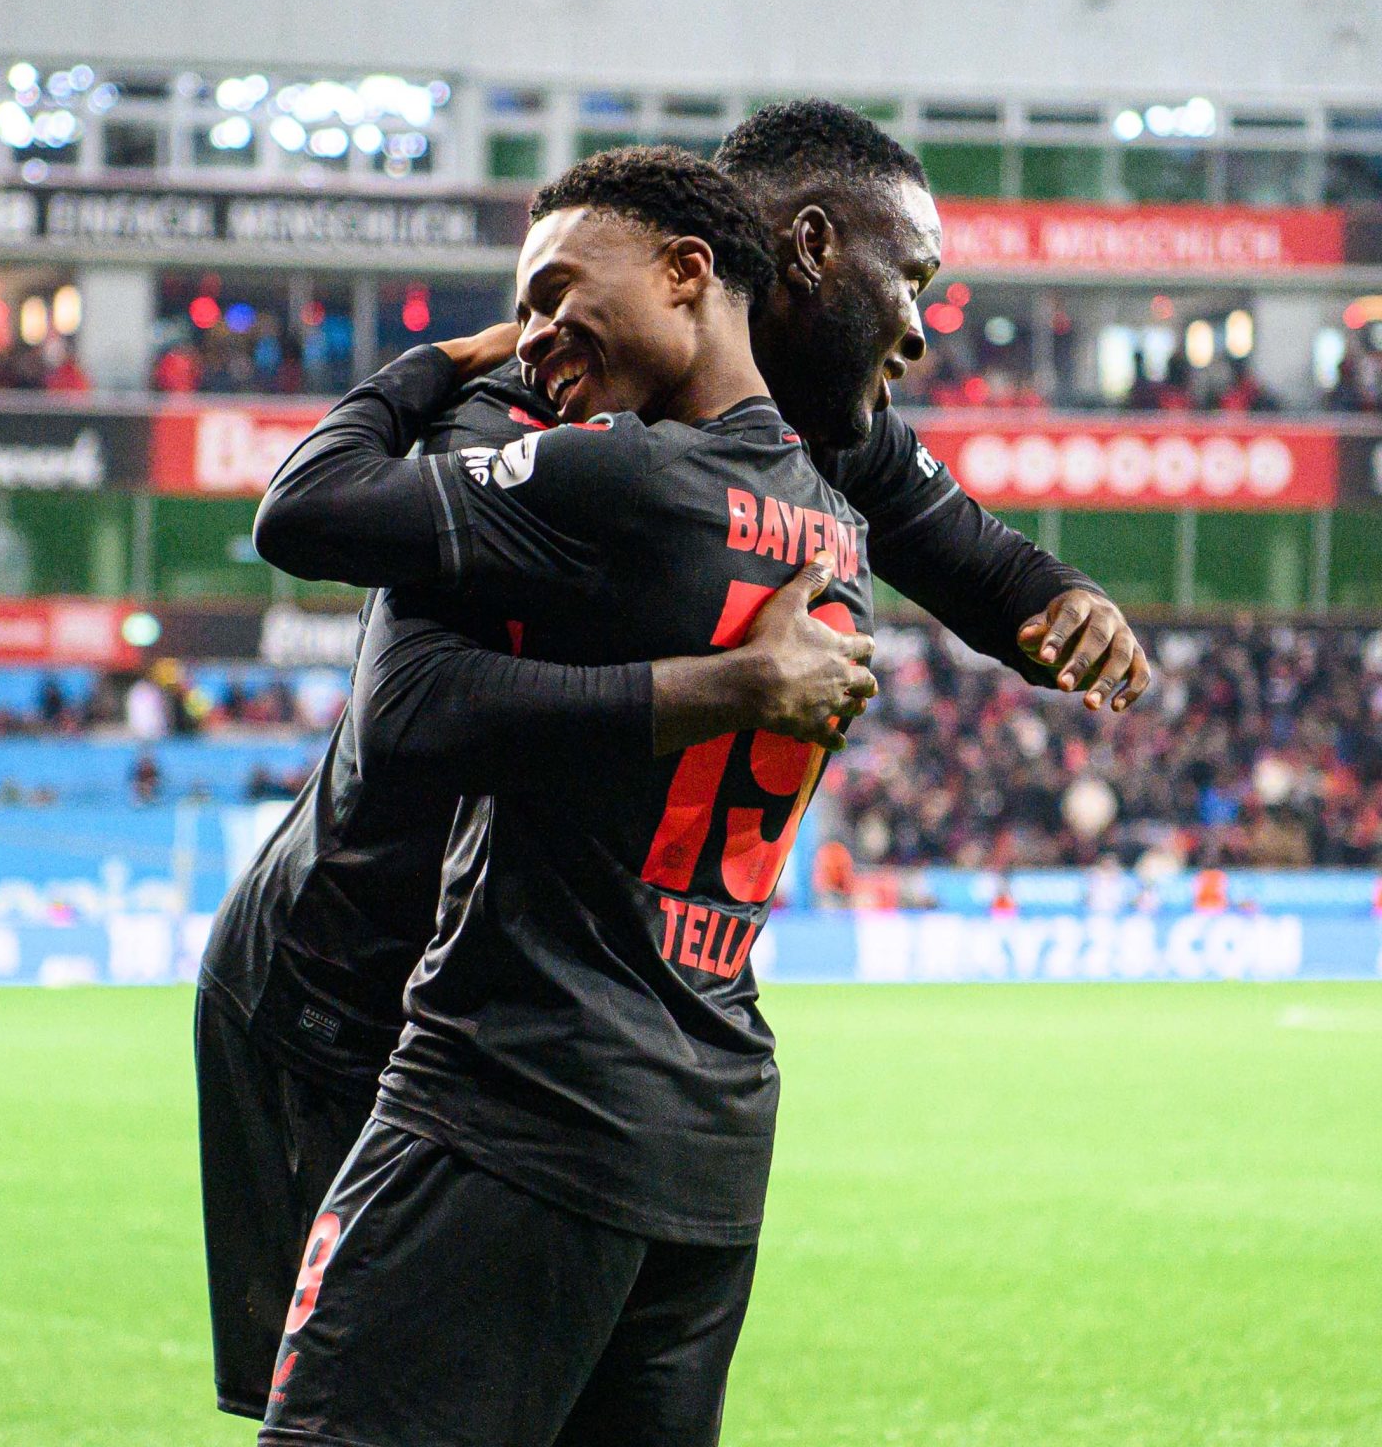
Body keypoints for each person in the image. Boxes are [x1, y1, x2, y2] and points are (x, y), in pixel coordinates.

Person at [195, 101, 1149, 1424]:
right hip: (350, 982)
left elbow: (973, 554)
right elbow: (405, 699)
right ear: (804, 251)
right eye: (912, 280)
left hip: (554, 1026)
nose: (922, 330)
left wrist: (1061, 599)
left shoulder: (810, 445)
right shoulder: (534, 406)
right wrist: (729, 685)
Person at [249, 144, 875, 1447]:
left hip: (514, 1098)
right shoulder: (834, 528)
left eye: (555, 292)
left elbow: (311, 525)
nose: (534, 333)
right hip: (709, 1134)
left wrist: (442, 368)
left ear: (687, 271)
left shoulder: (615, 475)